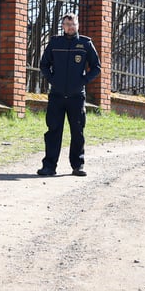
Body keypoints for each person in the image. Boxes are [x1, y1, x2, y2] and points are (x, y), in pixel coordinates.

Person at [37, 13, 102, 177]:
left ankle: (77, 166)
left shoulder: (85, 44)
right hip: (57, 95)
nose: (70, 27)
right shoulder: (55, 43)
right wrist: (53, 80)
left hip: (76, 96)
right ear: (63, 26)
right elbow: (44, 64)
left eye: (73, 24)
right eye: (67, 24)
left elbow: (96, 67)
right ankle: (49, 167)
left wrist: (83, 81)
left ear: (77, 25)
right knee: (53, 131)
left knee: (77, 131)